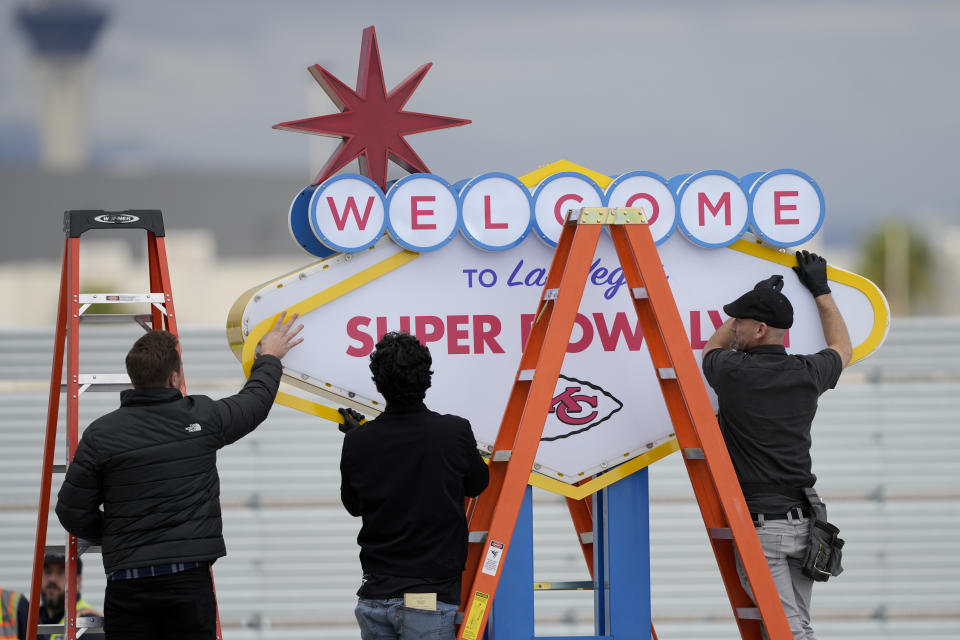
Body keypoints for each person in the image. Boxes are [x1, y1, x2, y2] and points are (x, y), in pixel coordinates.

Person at [55, 311, 303, 640]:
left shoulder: (101, 434)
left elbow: (70, 511)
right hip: (188, 583)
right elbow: (254, 402)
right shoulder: (202, 417)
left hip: (127, 586)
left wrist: (114, 531)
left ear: (134, 377)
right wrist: (269, 357)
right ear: (174, 378)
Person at [701, 251, 852, 640]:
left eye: (741, 321)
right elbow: (842, 348)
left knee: (790, 632)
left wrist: (757, 294)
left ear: (760, 330)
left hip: (763, 527)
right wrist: (820, 290)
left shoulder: (734, 372)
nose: (733, 327)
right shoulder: (808, 372)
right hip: (805, 523)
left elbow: (710, 349)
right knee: (796, 625)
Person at [339, 331, 489, 640]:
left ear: (378, 385)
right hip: (430, 597)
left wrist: (360, 437)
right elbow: (477, 483)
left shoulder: (358, 440)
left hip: (375, 595)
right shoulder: (454, 431)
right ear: (427, 380)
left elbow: (354, 505)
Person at [37, 553, 103, 640]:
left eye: (61, 572)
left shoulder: (90, 625)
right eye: (48, 572)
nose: (52, 579)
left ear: (78, 581)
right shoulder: (29, 621)